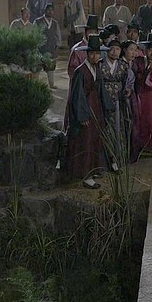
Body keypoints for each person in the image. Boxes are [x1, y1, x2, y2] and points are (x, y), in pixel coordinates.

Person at [65, 34, 108, 189]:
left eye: (98, 53)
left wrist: (106, 107)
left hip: (96, 108)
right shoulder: (80, 71)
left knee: (96, 139)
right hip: (86, 108)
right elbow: (77, 95)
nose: (96, 56)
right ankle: (86, 174)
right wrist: (82, 115)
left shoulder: (97, 69)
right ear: (88, 54)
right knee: (86, 140)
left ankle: (94, 168)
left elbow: (101, 90)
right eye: (93, 54)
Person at [98, 35, 134, 172]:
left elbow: (129, 82)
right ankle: (105, 161)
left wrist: (128, 90)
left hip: (119, 102)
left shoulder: (123, 65)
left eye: (117, 49)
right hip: (103, 101)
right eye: (111, 49)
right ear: (107, 50)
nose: (114, 52)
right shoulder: (100, 64)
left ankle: (117, 159)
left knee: (119, 129)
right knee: (105, 128)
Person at [33, 3, 61, 89]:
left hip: (51, 49)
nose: (50, 12)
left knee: (50, 68)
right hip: (40, 49)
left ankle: (51, 84)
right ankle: (35, 84)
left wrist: (57, 45)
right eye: (48, 10)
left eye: (52, 10)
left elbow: (58, 35)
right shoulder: (37, 21)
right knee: (37, 68)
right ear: (45, 11)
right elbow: (34, 34)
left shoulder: (55, 23)